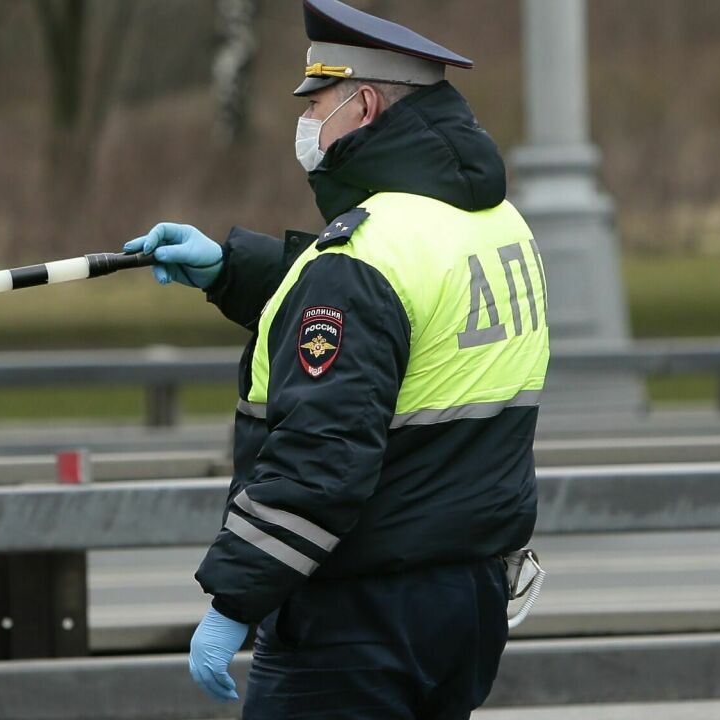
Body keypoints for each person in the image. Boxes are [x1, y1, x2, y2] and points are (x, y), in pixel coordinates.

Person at [124, 0, 549, 716]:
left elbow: (322, 453)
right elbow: (406, 326)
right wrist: (230, 268)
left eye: (318, 101)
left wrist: (235, 599)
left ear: (366, 104)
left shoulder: (364, 254)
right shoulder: (491, 221)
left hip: (363, 619)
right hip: (466, 599)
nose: (308, 120)